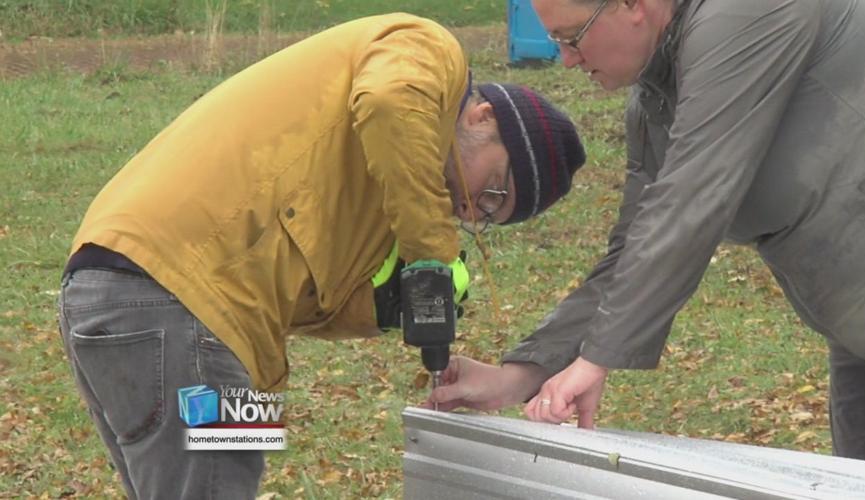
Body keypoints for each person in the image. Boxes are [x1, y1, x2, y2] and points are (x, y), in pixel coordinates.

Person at [57, 12, 586, 499]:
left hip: (150, 298)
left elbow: (304, 292)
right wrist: (433, 261)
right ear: (483, 116)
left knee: (227, 474)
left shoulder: (384, 185)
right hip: (181, 296)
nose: (467, 211)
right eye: (491, 192)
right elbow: (388, 101)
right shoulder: (429, 50)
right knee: (221, 482)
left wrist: (383, 307)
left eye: (487, 217)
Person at [429, 0, 865, 464]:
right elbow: (632, 248)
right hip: (860, 338)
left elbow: (694, 195)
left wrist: (598, 357)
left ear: (633, 5)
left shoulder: (749, 12)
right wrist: (521, 374)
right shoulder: (656, 102)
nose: (567, 60)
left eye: (573, 38)